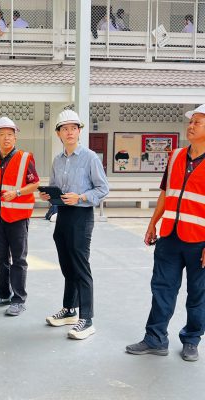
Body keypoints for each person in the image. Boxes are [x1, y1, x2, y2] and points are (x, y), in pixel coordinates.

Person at [126, 104, 205, 362]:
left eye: (197, 122)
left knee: (198, 295)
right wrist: (153, 222)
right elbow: (165, 193)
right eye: (190, 121)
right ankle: (155, 338)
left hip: (199, 241)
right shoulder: (176, 156)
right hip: (169, 236)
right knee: (162, 289)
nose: (190, 126)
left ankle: (192, 340)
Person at [39, 109, 109, 340]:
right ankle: (69, 309)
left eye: (73, 128)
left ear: (79, 131)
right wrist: (48, 195)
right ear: (58, 133)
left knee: (80, 267)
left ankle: (87, 319)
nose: (69, 132)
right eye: (65, 129)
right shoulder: (57, 160)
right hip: (63, 215)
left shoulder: (90, 157)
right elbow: (55, 187)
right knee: (67, 266)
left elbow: (103, 188)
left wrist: (80, 197)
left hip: (81, 216)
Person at [0, 117, 40, 316]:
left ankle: (18, 299)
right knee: (1, 259)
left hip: (18, 217)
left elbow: (35, 184)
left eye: (10, 134)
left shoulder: (25, 158)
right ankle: (3, 294)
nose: (6, 138)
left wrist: (16, 193)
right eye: (2, 135)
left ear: (15, 138)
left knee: (18, 260)